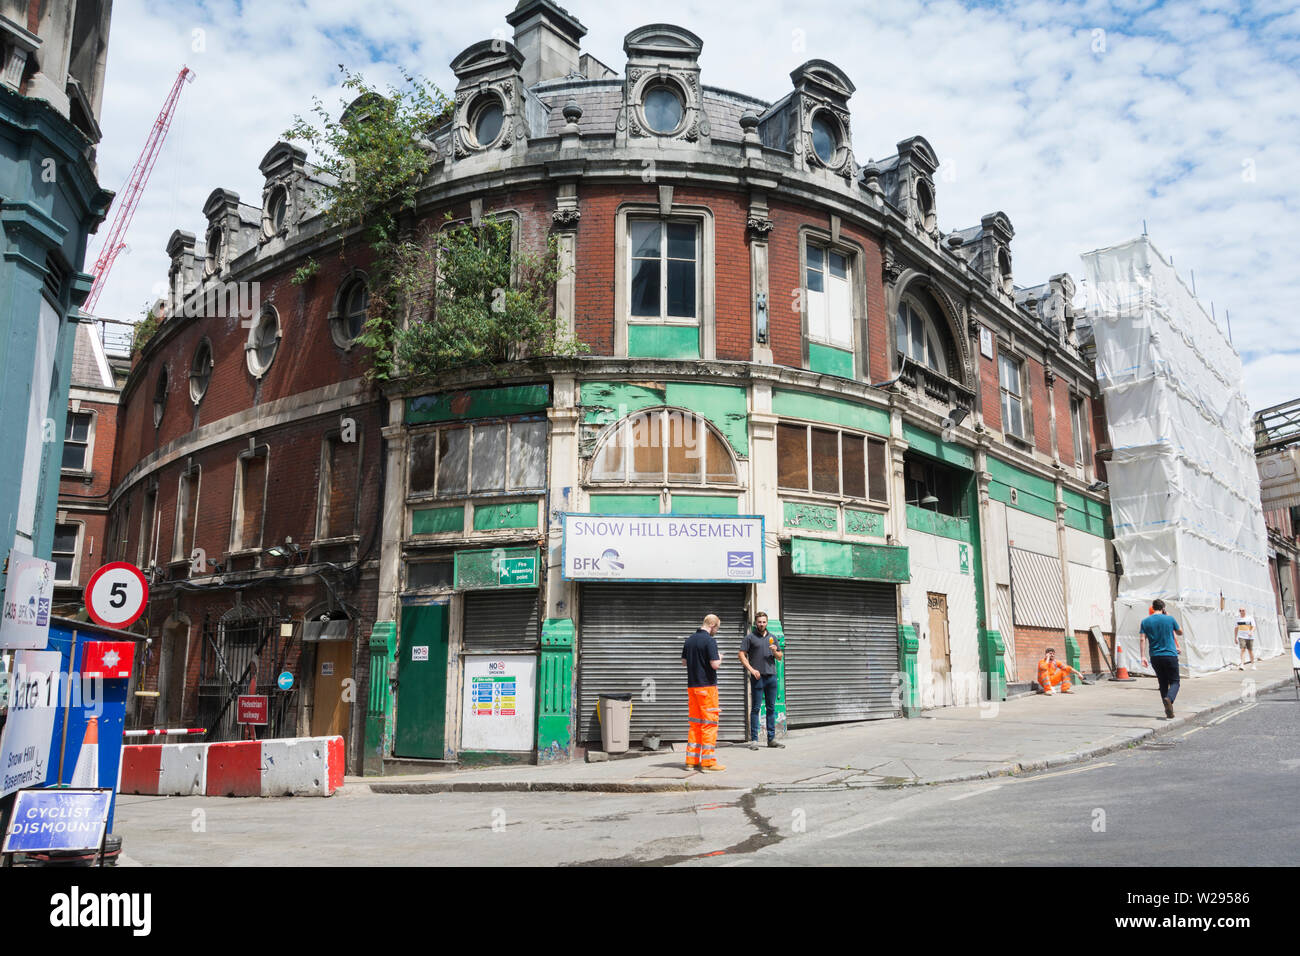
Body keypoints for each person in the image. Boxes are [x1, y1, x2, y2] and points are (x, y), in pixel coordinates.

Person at [681, 613, 724, 772]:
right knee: (709, 724)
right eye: (716, 629)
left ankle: (691, 762)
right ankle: (708, 762)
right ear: (712, 625)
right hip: (707, 688)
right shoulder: (710, 641)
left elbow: (684, 662)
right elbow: (715, 665)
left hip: (692, 687)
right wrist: (720, 657)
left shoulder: (689, 640)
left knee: (695, 725)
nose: (716, 632)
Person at [738, 611, 784, 750]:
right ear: (755, 623)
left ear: (767, 622)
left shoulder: (773, 637)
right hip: (757, 678)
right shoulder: (750, 638)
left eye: (764, 622)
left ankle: (771, 739)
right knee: (756, 708)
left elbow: (780, 657)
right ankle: (755, 740)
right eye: (759, 622)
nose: (762, 624)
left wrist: (775, 651)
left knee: (771, 708)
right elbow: (741, 655)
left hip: (771, 677)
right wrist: (752, 670)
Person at [1139, 598, 1183, 718]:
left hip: (1155, 656)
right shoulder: (1169, 618)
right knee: (1175, 682)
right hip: (1170, 655)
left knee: (1162, 682)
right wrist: (1169, 617)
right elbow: (1180, 632)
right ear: (1163, 608)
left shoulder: (1145, 621)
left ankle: (1168, 707)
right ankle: (1169, 699)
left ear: (1153, 608)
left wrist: (1142, 656)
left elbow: (1142, 639)